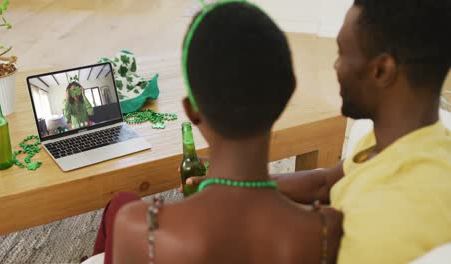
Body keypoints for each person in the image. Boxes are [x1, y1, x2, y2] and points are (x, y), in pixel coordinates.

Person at [186, 0, 451, 263]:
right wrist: (238, 183)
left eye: (342, 53)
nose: (335, 66)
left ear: (381, 70)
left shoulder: (388, 219)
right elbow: (324, 183)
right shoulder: (407, 139)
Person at [92, 2, 343, 264]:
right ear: (286, 97)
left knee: (121, 202)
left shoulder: (138, 228)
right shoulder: (327, 231)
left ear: (191, 110)